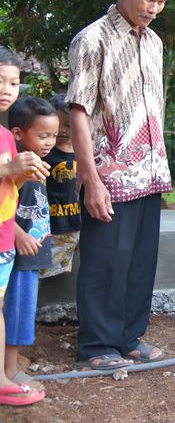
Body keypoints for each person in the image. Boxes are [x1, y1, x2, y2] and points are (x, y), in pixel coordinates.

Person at [67, 0, 172, 370]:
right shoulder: (91, 39)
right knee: (106, 259)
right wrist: (89, 179)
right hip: (108, 173)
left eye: (161, 2)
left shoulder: (155, 42)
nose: (154, 8)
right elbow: (79, 110)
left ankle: (129, 336)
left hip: (150, 171)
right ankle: (96, 346)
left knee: (140, 260)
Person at [0, 47, 48, 406]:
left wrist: (17, 178)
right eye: (0, 80)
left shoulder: (4, 137)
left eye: (13, 82)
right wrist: (9, 170)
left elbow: (7, 192)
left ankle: (4, 376)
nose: (7, 88)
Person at [4, 97, 58, 393]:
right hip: (17, 251)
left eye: (53, 135)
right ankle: (9, 370)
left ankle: (10, 364)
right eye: (43, 135)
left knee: (22, 310)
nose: (49, 142)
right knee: (15, 310)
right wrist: (17, 234)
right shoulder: (13, 164)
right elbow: (4, 204)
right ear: (17, 133)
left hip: (32, 249)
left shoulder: (38, 161)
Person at [39, 94, 80, 278]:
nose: (62, 130)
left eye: (68, 125)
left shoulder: (83, 154)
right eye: (58, 125)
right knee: (38, 270)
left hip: (76, 225)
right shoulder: (44, 154)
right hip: (50, 227)